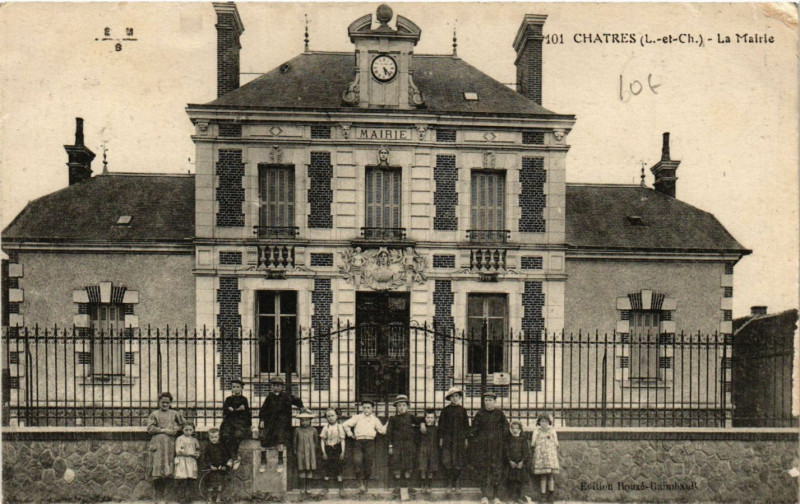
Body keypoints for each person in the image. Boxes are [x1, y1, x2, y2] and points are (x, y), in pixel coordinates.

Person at [258, 375, 304, 472]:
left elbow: (297, 400)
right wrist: (262, 420)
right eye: (274, 385)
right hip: (270, 422)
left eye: (278, 385)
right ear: (271, 387)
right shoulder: (269, 398)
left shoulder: (286, 396)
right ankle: (263, 460)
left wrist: (301, 407)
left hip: (282, 423)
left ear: (282, 387)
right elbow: (263, 410)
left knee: (280, 440)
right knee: (263, 440)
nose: (276, 387)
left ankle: (280, 460)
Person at [342, 398, 387, 494]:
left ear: (372, 409)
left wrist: (388, 423)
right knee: (357, 461)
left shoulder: (375, 419)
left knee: (368, 463)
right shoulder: (357, 417)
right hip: (358, 442)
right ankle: (360, 484)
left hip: (370, 442)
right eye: (364, 407)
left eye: (368, 408)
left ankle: (365, 484)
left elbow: (382, 431)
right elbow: (345, 424)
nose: (366, 409)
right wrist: (350, 434)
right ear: (362, 408)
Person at [470, 391, 508, 504]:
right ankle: (484, 496)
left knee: (496, 471)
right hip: (483, 449)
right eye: (486, 400)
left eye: (490, 400)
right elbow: (474, 430)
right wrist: (477, 441)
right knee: (483, 471)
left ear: (495, 401)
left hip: (497, 448)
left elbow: (506, 428)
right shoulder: (480, 414)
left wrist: (500, 439)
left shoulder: (499, 414)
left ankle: (496, 496)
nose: (488, 402)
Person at [147, 391, 184, 504]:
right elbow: (150, 429)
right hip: (158, 446)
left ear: (170, 403)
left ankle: (167, 498)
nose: (165, 404)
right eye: (163, 402)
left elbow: (183, 425)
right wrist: (164, 430)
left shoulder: (174, 414)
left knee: (168, 472)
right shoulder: (154, 414)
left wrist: (176, 429)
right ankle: (159, 498)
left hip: (170, 446)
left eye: (167, 402)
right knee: (158, 472)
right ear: (159, 402)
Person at [386, 394, 421, 494]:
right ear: (396, 407)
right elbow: (389, 433)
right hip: (397, 445)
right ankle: (398, 486)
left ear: (407, 406)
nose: (402, 408)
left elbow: (419, 425)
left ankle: (407, 486)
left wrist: (422, 423)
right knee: (397, 464)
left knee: (408, 465)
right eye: (399, 405)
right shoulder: (393, 419)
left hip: (409, 445)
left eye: (404, 405)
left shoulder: (411, 417)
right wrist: (390, 445)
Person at [438, 386, 470, 493]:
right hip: (448, 439)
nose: (454, 398)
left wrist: (465, 438)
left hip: (459, 439)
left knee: (459, 460)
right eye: (452, 396)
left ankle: (457, 482)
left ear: (460, 397)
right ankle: (449, 482)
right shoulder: (445, 411)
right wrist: (441, 438)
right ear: (449, 398)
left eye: (456, 396)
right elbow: (441, 425)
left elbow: (466, 426)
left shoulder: (463, 410)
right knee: (448, 460)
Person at [219, 378, 251, 470]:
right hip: (229, 422)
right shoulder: (228, 399)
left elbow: (246, 412)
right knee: (225, 436)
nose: (235, 389)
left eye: (237, 387)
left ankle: (233, 457)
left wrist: (249, 424)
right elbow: (225, 411)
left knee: (237, 435)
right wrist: (235, 410)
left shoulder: (244, 399)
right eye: (233, 387)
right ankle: (233, 457)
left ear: (241, 389)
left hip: (239, 423)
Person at [320, 407, 346, 497]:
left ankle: (341, 488)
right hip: (328, 449)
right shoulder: (325, 427)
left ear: (337, 416)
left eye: (332, 415)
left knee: (338, 468)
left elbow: (342, 440)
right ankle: (325, 488)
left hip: (337, 448)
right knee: (327, 467)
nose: (330, 418)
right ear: (326, 418)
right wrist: (324, 452)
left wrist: (342, 452)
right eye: (328, 416)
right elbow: (322, 440)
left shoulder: (340, 427)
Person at [531, 412, 559, 495]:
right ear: (539, 422)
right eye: (542, 421)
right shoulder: (536, 432)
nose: (544, 423)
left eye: (546, 421)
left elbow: (556, 443)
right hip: (541, 457)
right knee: (543, 476)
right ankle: (542, 494)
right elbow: (533, 443)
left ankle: (551, 495)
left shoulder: (552, 431)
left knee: (550, 476)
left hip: (550, 457)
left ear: (549, 422)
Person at [174, 421, 201, 504]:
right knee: (182, 480)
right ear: (182, 430)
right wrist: (189, 453)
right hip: (182, 461)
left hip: (191, 462)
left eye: (190, 430)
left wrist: (197, 454)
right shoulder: (180, 439)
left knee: (191, 480)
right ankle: (181, 498)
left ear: (193, 430)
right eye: (186, 430)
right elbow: (178, 451)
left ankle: (189, 498)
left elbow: (198, 449)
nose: (188, 432)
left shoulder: (194, 440)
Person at [202, 427, 229, 504]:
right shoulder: (208, 446)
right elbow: (206, 457)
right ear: (209, 437)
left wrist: (223, 465)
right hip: (211, 469)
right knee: (210, 484)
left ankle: (218, 498)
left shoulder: (222, 446)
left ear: (219, 437)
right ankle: (209, 498)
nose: (214, 439)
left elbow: (225, 456)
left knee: (219, 484)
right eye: (212, 437)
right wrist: (210, 466)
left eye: (215, 437)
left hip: (220, 468)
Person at [294, 408, 318, 496]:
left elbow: (316, 442)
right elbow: (294, 442)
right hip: (301, 452)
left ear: (310, 421)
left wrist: (314, 451)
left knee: (309, 469)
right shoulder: (297, 430)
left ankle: (309, 486)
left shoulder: (314, 430)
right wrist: (295, 451)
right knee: (301, 469)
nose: (304, 422)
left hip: (311, 453)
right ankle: (302, 487)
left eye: (306, 420)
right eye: (302, 420)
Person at [506, 420, 530, 504]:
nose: (515, 430)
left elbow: (526, 451)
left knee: (519, 481)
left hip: (520, 464)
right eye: (513, 428)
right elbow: (506, 451)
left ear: (520, 429)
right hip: (511, 464)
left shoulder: (522, 439)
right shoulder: (508, 439)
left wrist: (522, 461)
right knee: (511, 481)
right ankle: (511, 498)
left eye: (517, 428)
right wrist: (510, 461)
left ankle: (518, 497)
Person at [417, 409, 439, 494]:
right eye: (428, 417)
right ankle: (423, 483)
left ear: (434, 419)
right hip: (423, 450)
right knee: (423, 467)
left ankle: (429, 484)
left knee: (431, 468)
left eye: (432, 417)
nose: (429, 419)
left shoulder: (436, 429)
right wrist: (422, 423)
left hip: (433, 450)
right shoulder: (422, 428)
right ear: (425, 418)